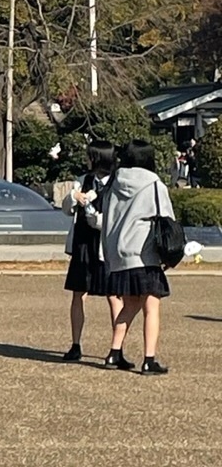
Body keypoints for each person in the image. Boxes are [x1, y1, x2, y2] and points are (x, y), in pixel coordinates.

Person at [101, 139, 174, 374]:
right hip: (145, 253)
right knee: (151, 305)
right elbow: (167, 218)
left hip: (119, 253)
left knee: (129, 304)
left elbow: (106, 222)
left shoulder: (113, 183)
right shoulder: (154, 184)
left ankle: (114, 352)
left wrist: (109, 256)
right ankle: (148, 358)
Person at [60, 140, 118, 362]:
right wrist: (73, 197)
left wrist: (98, 220)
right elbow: (67, 209)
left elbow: (116, 217)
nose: (86, 159)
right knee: (78, 294)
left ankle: (116, 347)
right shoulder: (83, 180)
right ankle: (75, 344)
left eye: (89, 156)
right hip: (82, 244)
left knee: (113, 295)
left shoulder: (115, 184)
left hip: (105, 245)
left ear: (97, 158)